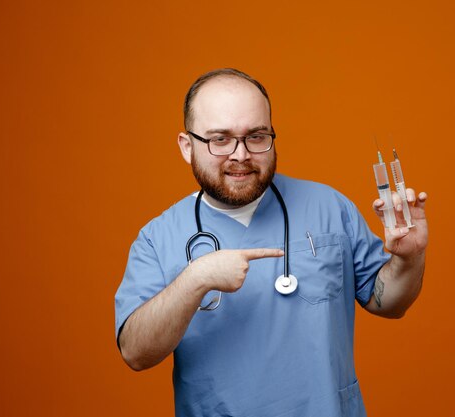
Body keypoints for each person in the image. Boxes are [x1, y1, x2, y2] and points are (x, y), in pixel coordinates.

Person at [114, 68, 428, 417]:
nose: (241, 154)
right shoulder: (158, 238)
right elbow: (135, 353)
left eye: (256, 136)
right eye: (220, 139)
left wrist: (408, 259)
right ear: (188, 147)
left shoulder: (329, 206)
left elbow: (389, 303)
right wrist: (195, 279)